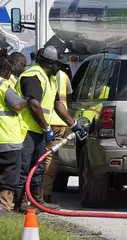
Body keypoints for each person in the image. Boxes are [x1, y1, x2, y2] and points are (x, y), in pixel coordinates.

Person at [14, 46, 87, 212]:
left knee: (38, 167)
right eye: (58, 64)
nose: (59, 68)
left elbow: (57, 104)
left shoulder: (50, 78)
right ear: (49, 63)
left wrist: (73, 124)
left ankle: (38, 200)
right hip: (25, 130)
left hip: (37, 130)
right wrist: (46, 127)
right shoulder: (33, 76)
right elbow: (34, 104)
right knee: (25, 167)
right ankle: (21, 202)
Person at [41, 67, 74, 203]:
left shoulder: (41, 75)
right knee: (51, 157)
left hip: (43, 120)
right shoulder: (64, 76)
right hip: (60, 121)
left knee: (40, 157)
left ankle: (39, 193)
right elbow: (69, 97)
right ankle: (46, 193)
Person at [0, 58, 27, 215]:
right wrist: (27, 100)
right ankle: (3, 211)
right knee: (9, 177)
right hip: (7, 139)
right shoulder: (3, 85)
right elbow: (16, 105)